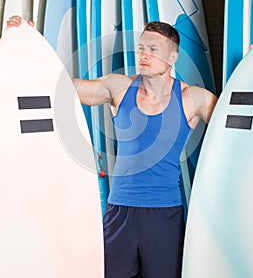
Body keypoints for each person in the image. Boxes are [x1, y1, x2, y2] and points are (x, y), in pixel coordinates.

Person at [7, 16, 217, 278]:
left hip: (163, 212)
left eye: (153, 50)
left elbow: (237, 131)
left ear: (172, 57)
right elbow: (60, 88)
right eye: (141, 48)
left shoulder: (193, 98)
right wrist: (29, 44)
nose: (144, 55)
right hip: (119, 211)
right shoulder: (119, 88)